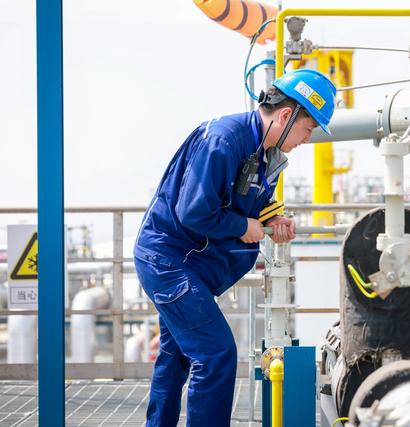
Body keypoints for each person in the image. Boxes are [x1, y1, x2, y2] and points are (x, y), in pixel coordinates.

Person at [133, 69, 336, 426]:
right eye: (308, 129)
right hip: (169, 261)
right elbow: (193, 211)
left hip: (190, 263)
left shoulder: (265, 152)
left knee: (176, 355)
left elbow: (251, 200)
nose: (307, 139)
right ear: (285, 116)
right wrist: (243, 227)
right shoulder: (223, 140)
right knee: (216, 354)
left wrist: (273, 220)